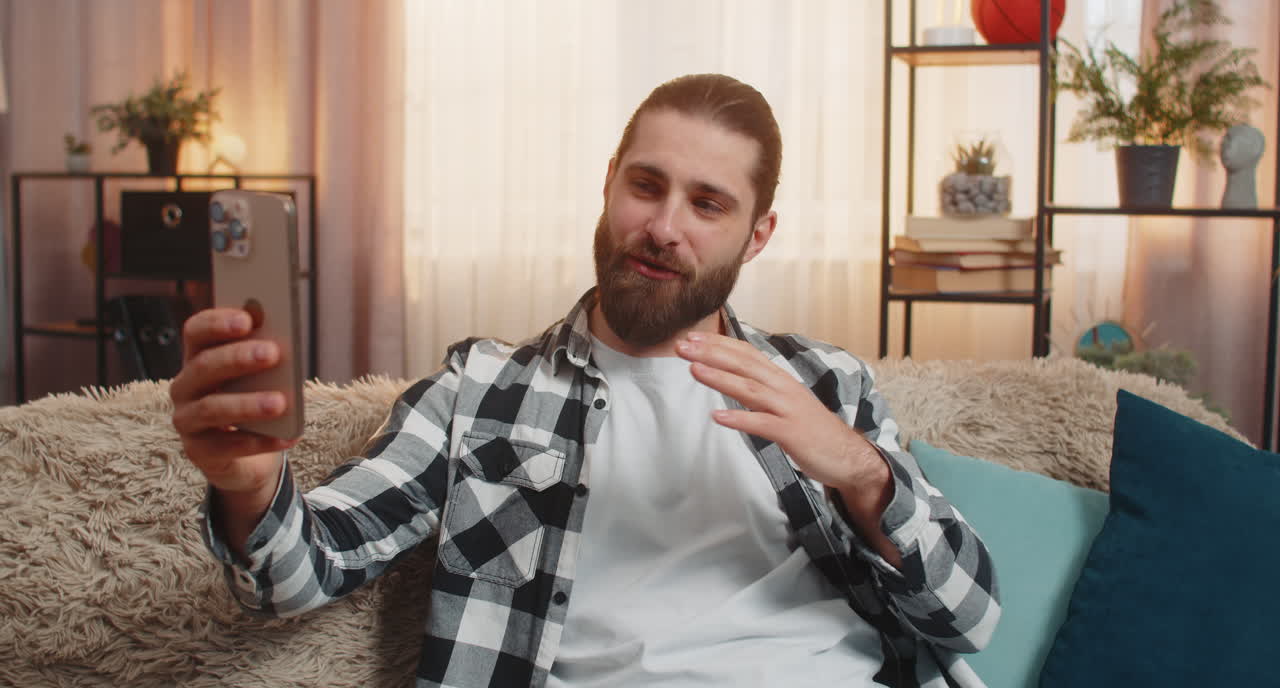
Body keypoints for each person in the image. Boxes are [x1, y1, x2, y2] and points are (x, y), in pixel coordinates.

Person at [171, 73, 1000, 688]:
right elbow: (303, 572)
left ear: (756, 236)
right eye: (647, 186)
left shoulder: (826, 384)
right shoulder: (479, 388)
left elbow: (969, 618)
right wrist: (251, 489)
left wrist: (861, 473)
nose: (664, 227)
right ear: (609, 183)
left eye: (708, 205)